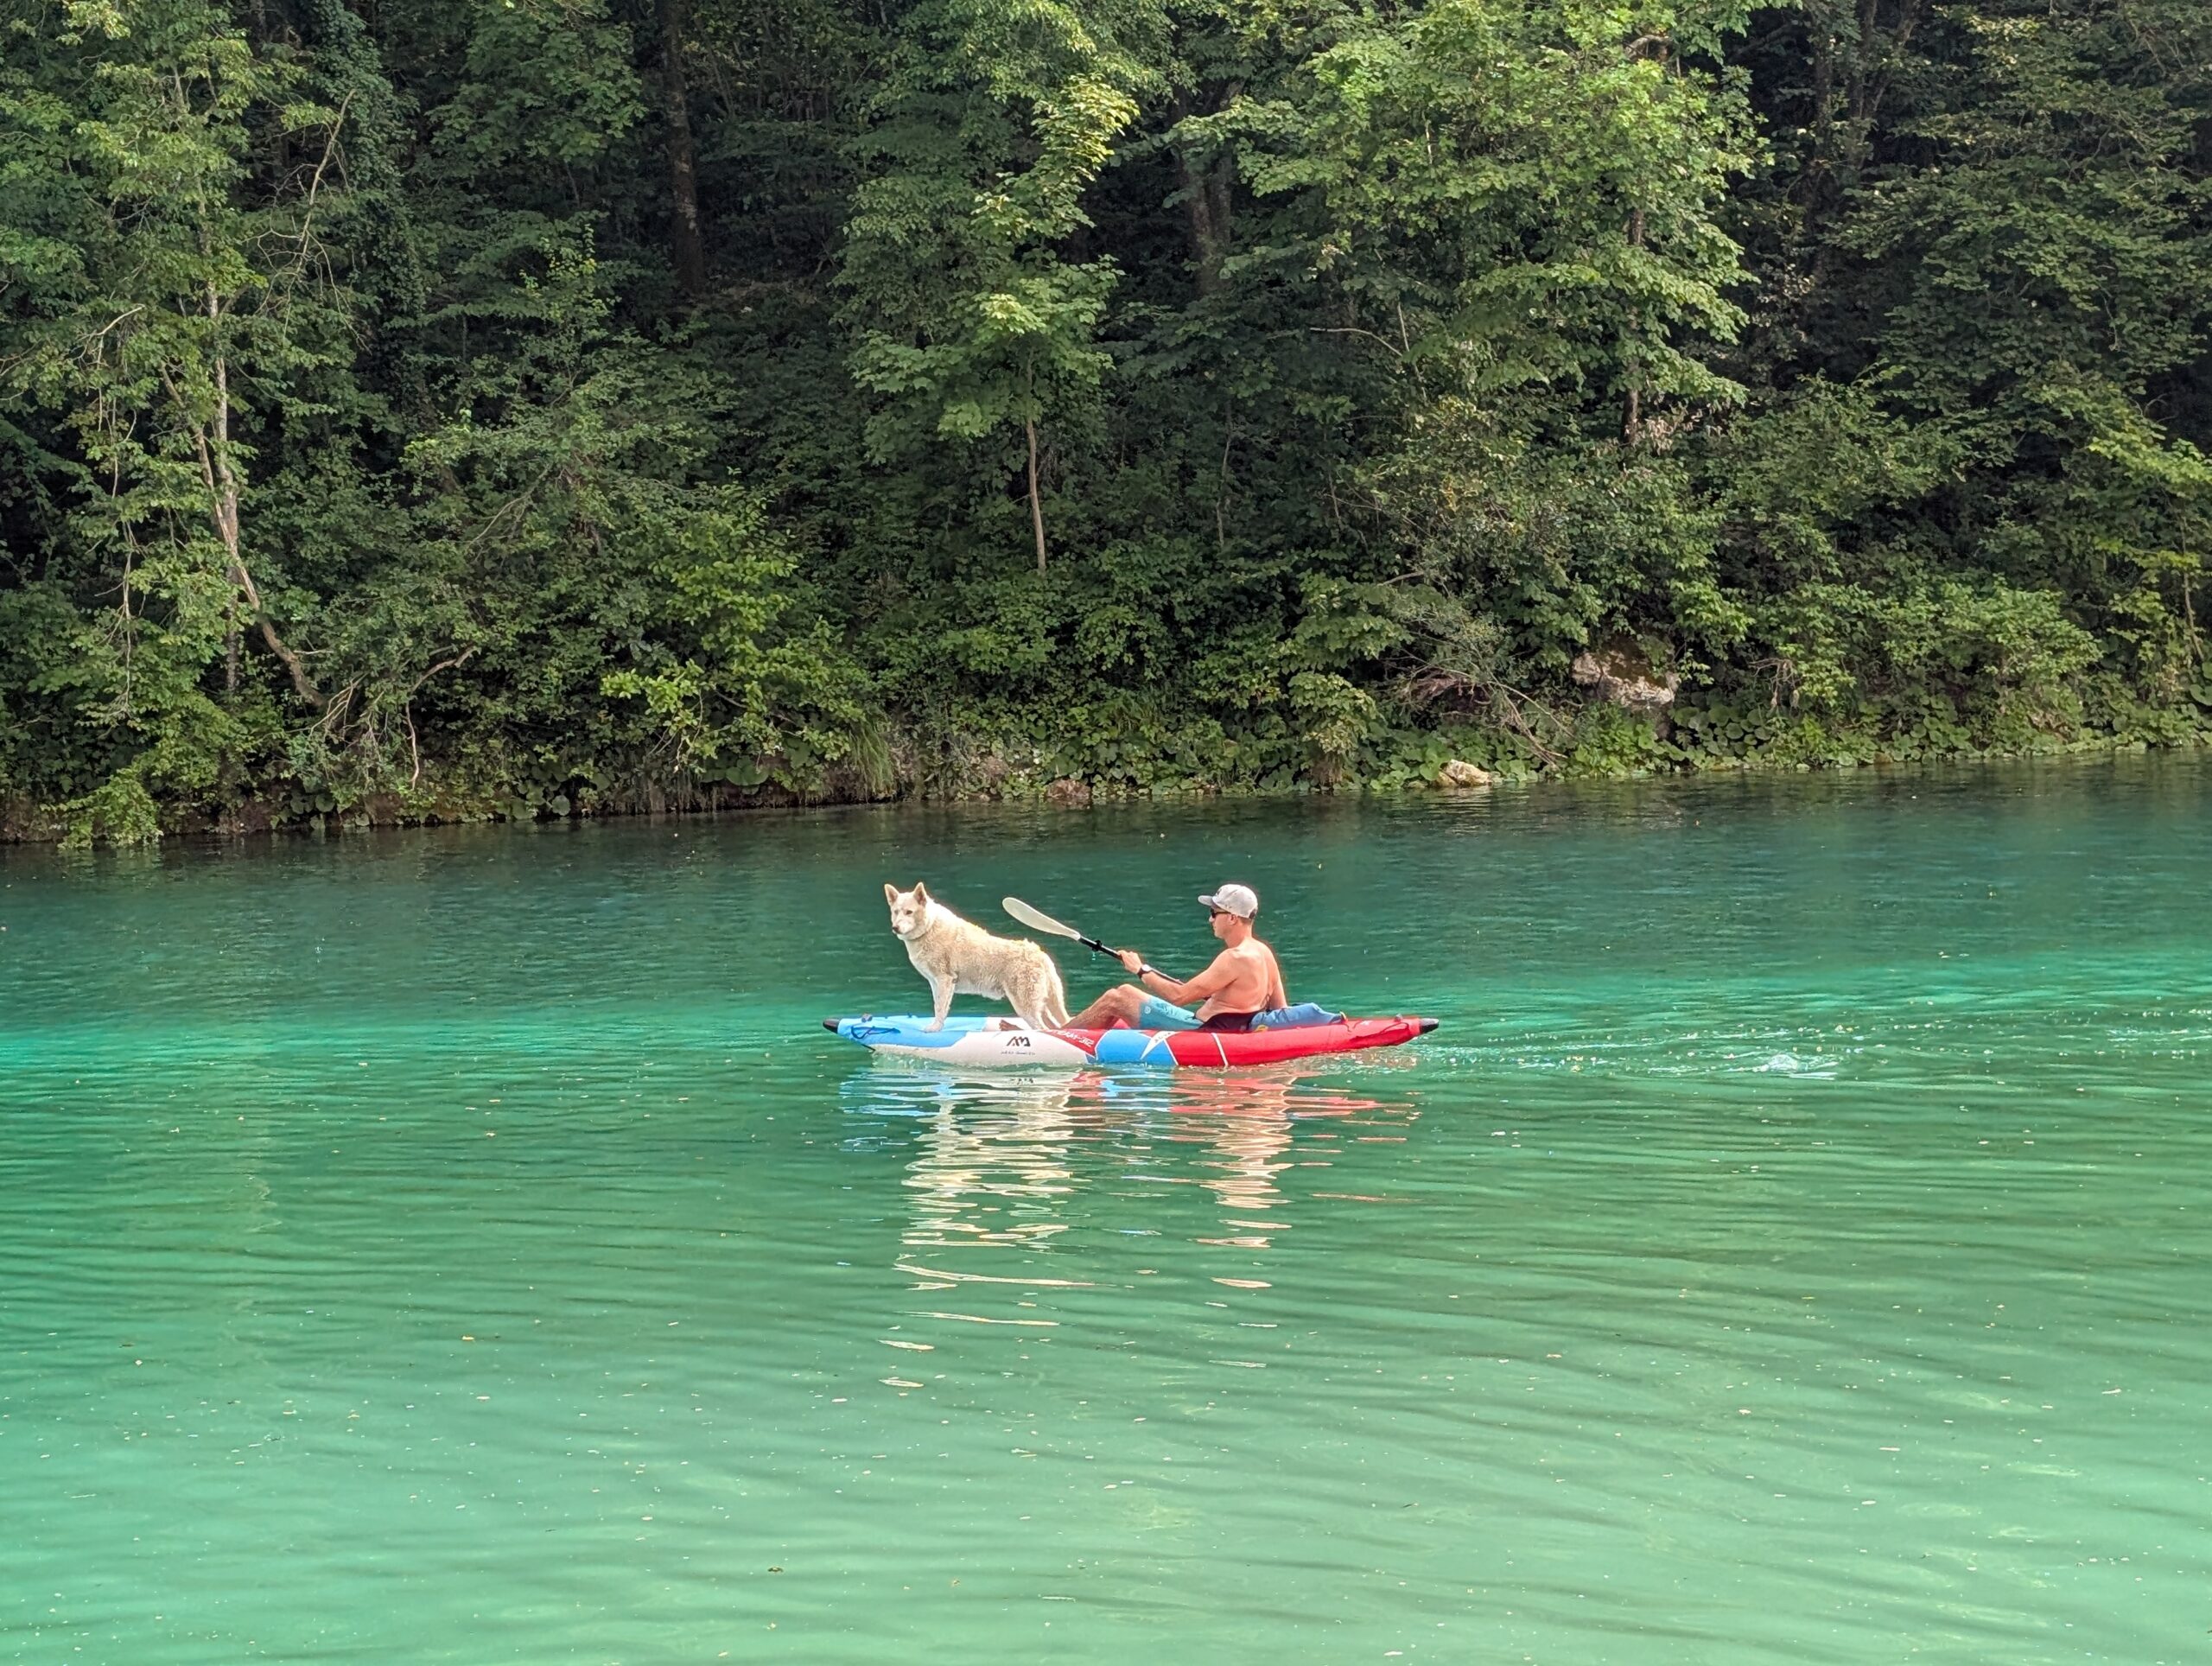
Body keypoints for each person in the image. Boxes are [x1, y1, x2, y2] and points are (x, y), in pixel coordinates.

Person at [1065, 883, 1294, 1033]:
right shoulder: (1264, 953)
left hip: (1204, 1030)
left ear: (1233, 918)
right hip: (1229, 1028)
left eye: (1214, 913)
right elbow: (1280, 1010)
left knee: (1118, 997)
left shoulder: (1234, 957)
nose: (1210, 920)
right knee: (1122, 995)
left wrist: (1140, 970)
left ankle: (1056, 1038)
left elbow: (1178, 997)